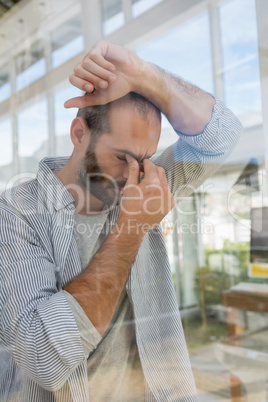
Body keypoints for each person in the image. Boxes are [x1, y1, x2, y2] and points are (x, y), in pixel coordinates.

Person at [0, 41, 243, 402]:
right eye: (122, 157)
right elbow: (43, 357)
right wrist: (131, 228)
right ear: (80, 134)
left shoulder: (139, 184)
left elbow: (219, 136)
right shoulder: (16, 212)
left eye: (144, 159)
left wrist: (145, 75)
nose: (136, 175)